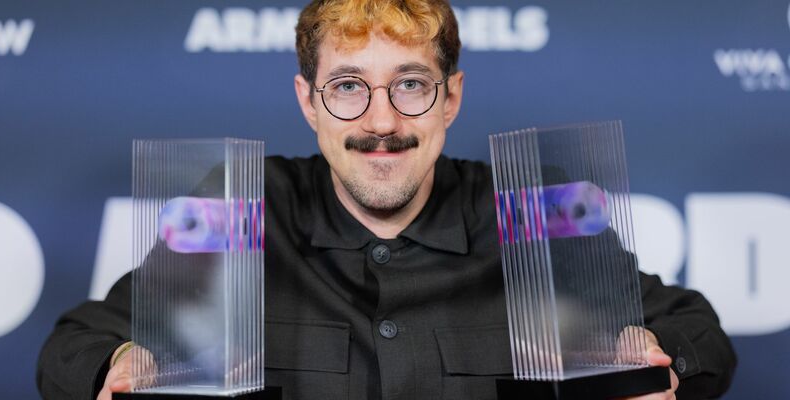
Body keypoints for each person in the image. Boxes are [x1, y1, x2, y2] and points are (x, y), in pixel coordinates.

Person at [37, 1, 736, 399]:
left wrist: (655, 357)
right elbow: (77, 344)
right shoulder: (242, 204)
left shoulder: (530, 206)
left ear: (452, 98)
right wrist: (119, 366)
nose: (380, 122)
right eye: (347, 87)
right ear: (308, 101)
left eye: (410, 84)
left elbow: (692, 327)